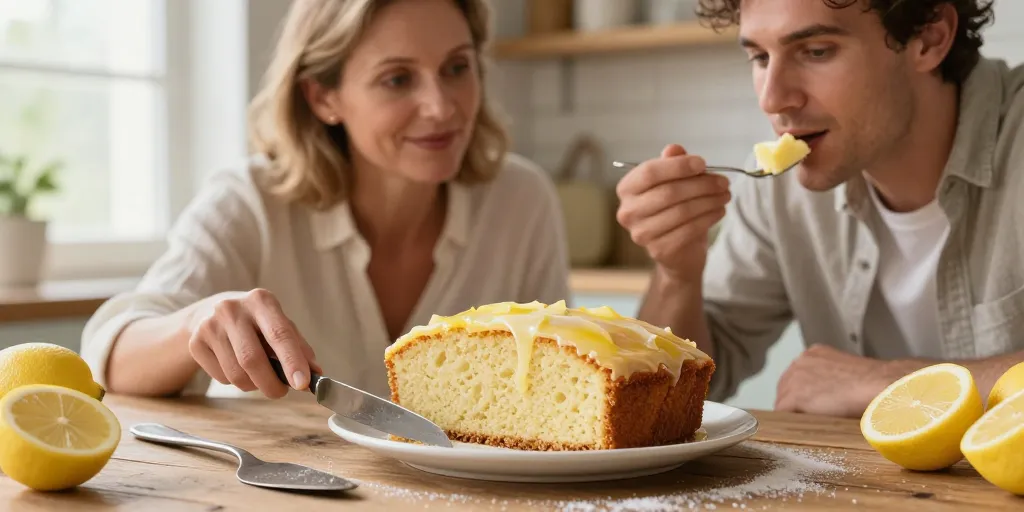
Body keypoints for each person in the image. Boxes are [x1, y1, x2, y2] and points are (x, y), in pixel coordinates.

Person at [80, 0, 571, 401]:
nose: (442, 106)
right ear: (322, 98)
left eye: (457, 67)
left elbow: (560, 379)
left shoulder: (521, 201)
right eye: (398, 79)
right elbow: (111, 354)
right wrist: (196, 320)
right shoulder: (249, 202)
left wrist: (655, 267)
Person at [615, 0, 1024, 418]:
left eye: (816, 51)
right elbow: (680, 386)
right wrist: (677, 274)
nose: (773, 100)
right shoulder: (778, 191)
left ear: (929, 37)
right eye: (760, 57)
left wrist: (885, 384)